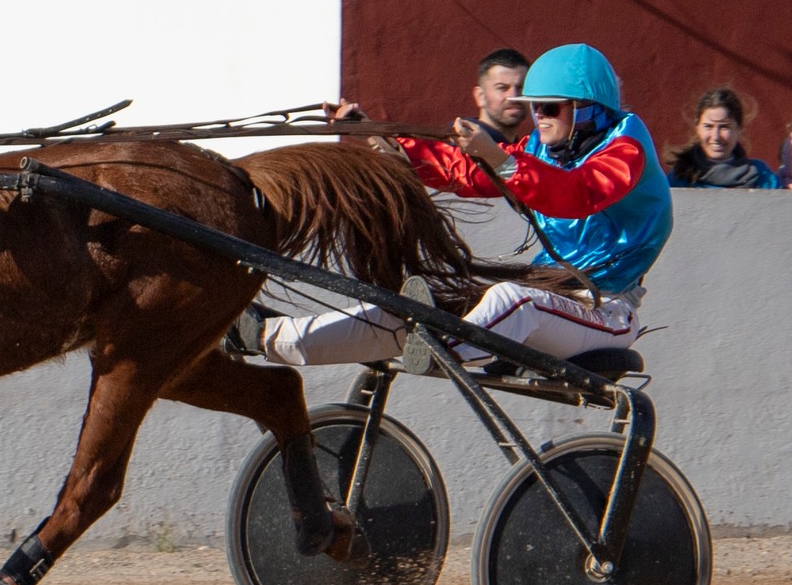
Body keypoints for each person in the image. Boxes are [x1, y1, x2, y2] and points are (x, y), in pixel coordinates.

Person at [236, 44, 672, 369]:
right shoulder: (543, 146)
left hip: (604, 310)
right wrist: (376, 135)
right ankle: (274, 337)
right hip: (552, 297)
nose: (537, 116)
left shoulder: (626, 148)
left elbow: (577, 195)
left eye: (549, 107)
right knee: (414, 308)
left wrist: (500, 158)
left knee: (511, 300)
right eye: (533, 108)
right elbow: (466, 170)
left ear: (589, 111)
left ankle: (440, 349)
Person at [666, 88, 779, 188]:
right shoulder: (680, 177)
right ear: (697, 128)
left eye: (724, 127)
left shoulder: (762, 177)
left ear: (739, 129)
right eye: (708, 126)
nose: (716, 136)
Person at [471, 47, 530, 143]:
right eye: (502, 88)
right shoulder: (452, 153)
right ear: (480, 96)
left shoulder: (530, 151)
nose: (514, 96)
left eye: (520, 87)